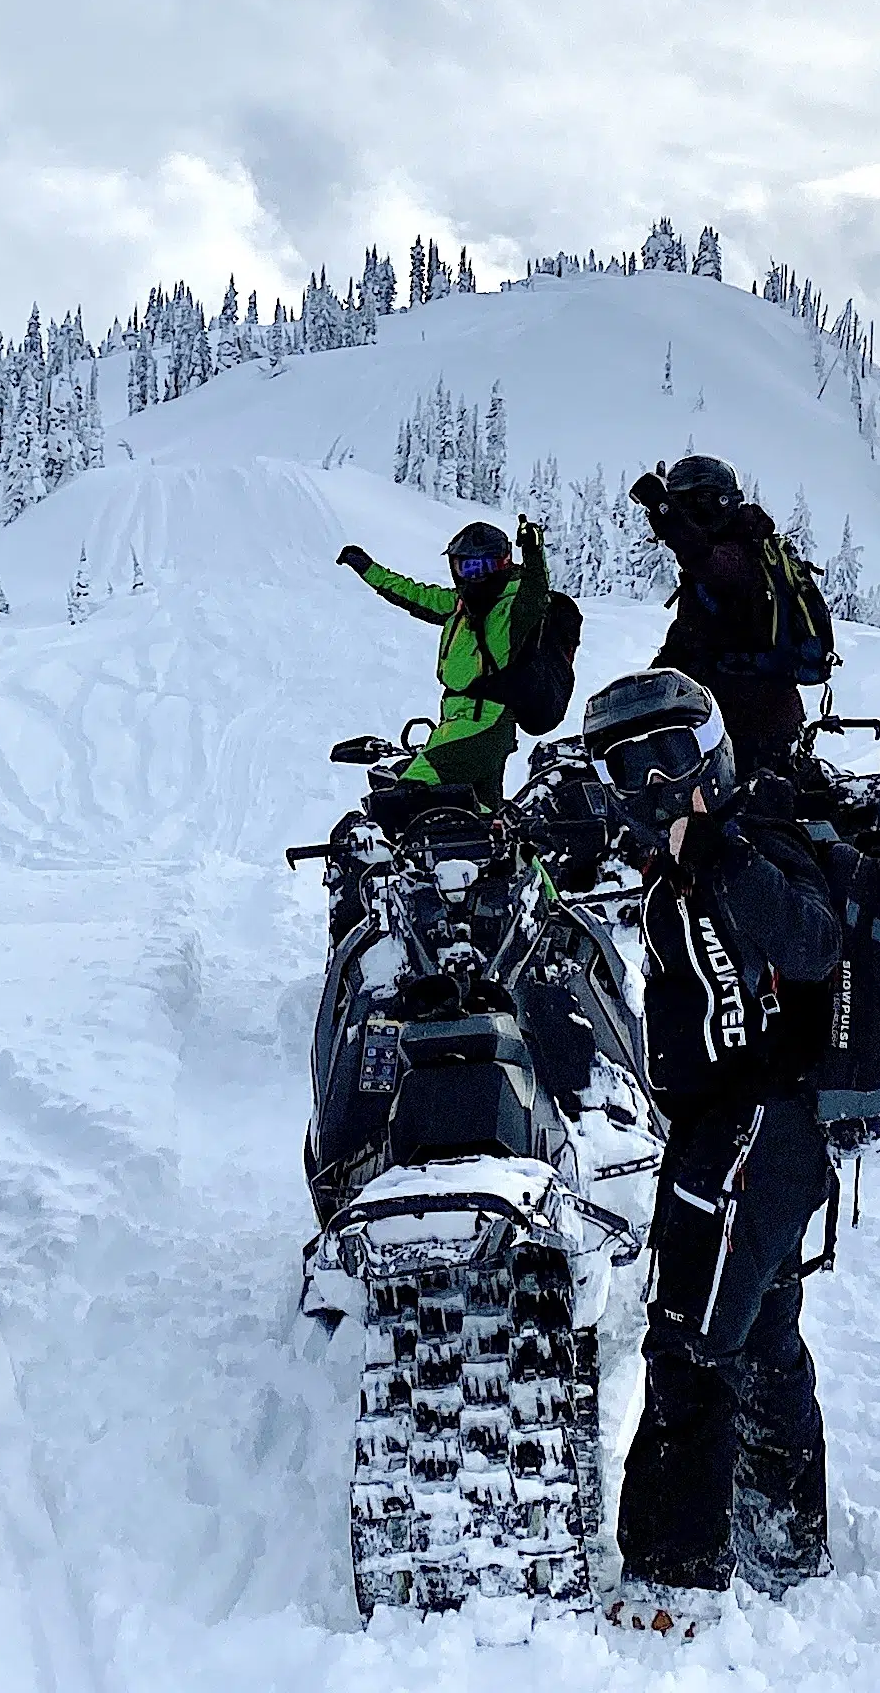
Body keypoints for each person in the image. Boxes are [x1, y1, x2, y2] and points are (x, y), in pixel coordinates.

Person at [582, 666, 844, 1602]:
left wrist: (722, 857)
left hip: (759, 1130)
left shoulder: (753, 838)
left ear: (716, 753)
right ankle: (784, 1543)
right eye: (630, 770)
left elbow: (814, 943)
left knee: (690, 1341)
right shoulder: (672, 851)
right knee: (763, 1332)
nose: (657, 786)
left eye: (673, 759)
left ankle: (674, 1575)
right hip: (728, 1132)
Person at [332, 515, 577, 796]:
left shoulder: (513, 608)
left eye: (482, 567)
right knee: (480, 815)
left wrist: (533, 552)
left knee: (408, 793)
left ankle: (375, 839)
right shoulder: (459, 605)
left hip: (485, 723)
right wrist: (369, 570)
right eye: (465, 567)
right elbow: (412, 593)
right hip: (459, 722)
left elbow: (535, 590)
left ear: (502, 564)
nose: (473, 576)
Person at [630, 454, 836, 781]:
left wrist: (662, 510)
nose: (685, 516)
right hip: (722, 719)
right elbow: (684, 645)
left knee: (742, 821)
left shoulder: (742, 557)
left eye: (687, 505)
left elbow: (704, 558)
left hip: (755, 721)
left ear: (712, 503)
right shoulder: (712, 573)